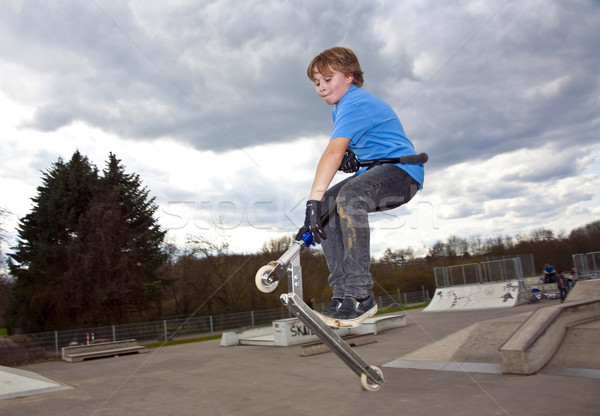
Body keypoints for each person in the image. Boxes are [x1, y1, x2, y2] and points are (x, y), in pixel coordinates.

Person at [295, 47, 424, 327]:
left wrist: (311, 204)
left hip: (402, 174)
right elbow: (353, 150)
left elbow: (333, 151)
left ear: (350, 77)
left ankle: (360, 294)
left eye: (328, 79)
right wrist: (353, 160)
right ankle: (342, 295)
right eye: (317, 83)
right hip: (378, 171)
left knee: (348, 198)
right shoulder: (341, 109)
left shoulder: (356, 102)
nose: (321, 87)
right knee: (330, 204)